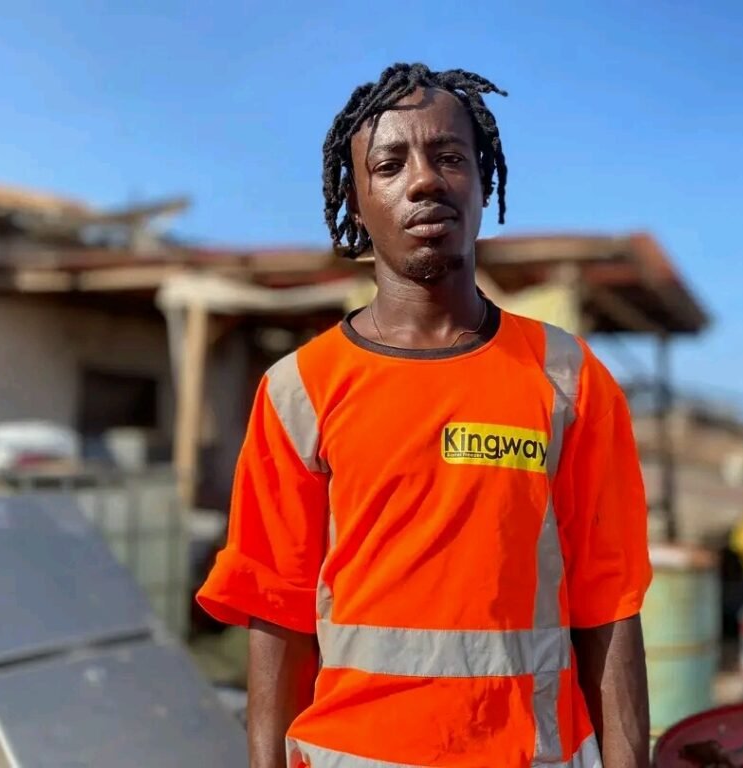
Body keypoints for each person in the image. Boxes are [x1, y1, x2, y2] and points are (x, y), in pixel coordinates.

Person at [198, 62, 652, 768]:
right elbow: (276, 612)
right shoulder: (299, 390)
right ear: (357, 202)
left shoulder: (569, 380)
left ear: (484, 182)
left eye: (450, 157)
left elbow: (611, 604)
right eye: (390, 164)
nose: (424, 181)